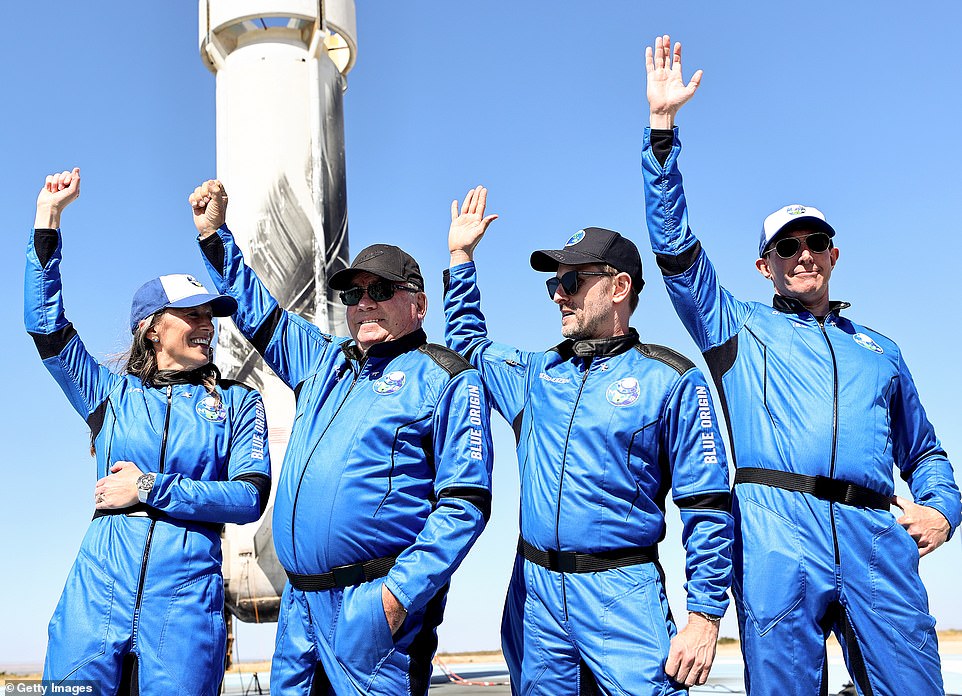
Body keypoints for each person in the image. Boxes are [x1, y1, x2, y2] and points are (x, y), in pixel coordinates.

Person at [642, 35, 962, 696]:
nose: (804, 254)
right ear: (766, 265)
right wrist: (662, 132)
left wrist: (943, 509)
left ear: (834, 255)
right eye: (787, 246)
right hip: (777, 539)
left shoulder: (880, 351)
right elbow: (673, 248)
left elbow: (924, 451)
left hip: (878, 541)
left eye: (816, 241)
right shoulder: (735, 326)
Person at [188, 179, 494, 695]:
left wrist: (396, 598)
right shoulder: (324, 362)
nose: (364, 304)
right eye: (354, 293)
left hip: (373, 612)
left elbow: (465, 504)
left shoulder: (447, 378)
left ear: (418, 305)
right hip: (300, 608)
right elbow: (259, 311)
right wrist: (216, 236)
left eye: (380, 291)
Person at [443, 186, 734, 694]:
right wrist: (461, 258)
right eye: (555, 283)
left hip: (622, 595)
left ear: (619, 287)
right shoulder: (535, 376)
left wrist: (704, 616)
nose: (559, 294)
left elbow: (707, 506)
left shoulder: (671, 380)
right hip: (534, 600)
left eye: (573, 281)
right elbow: (470, 346)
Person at [25, 168, 272, 695]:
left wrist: (145, 488)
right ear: (151, 326)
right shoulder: (108, 395)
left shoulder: (238, 402)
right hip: (94, 598)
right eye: (192, 314)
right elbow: (46, 326)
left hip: (183, 610)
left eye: (211, 314)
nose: (207, 323)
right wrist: (48, 219)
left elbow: (248, 496)